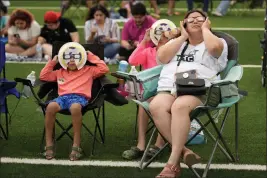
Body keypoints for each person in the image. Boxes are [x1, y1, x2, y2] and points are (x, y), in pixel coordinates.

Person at [150, 10, 228, 177]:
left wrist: (205, 30)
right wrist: (182, 37)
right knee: (156, 106)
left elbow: (214, 49)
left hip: (202, 90)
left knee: (179, 106)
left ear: (207, 21)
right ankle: (184, 151)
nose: (195, 21)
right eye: (190, 19)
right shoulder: (178, 42)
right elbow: (162, 57)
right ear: (183, 23)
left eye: (199, 18)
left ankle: (171, 164)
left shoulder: (217, 41)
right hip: (170, 88)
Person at [39, 43, 109, 161]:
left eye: (75, 57)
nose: (71, 61)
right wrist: (52, 62)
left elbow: (104, 69)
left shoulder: (89, 70)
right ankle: (49, 143)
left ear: (81, 58)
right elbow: (43, 76)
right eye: (68, 58)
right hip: (62, 98)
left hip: (79, 98)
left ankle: (76, 144)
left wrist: (90, 56)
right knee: (50, 107)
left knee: (75, 108)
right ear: (63, 59)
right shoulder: (60, 71)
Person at [122, 28, 170, 160]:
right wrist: (144, 40)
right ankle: (141, 144)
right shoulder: (149, 52)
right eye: (159, 38)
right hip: (150, 90)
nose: (161, 40)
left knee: (162, 104)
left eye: (165, 38)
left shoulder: (174, 54)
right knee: (144, 103)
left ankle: (158, 144)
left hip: (167, 91)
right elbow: (132, 61)